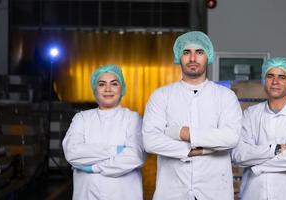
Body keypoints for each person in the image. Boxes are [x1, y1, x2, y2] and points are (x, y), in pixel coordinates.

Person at [142, 31, 242, 200]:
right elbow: (150, 141)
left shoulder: (225, 96)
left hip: (214, 189)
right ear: (178, 57)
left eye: (199, 52)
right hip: (172, 189)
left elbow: (231, 137)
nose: (193, 58)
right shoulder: (161, 96)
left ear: (208, 56)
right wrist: (191, 150)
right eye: (187, 52)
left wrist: (180, 132)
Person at [231, 57, 286, 200]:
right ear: (264, 80)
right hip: (255, 193)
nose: (275, 82)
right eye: (270, 76)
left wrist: (257, 166)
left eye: (281, 77)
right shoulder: (251, 114)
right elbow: (238, 155)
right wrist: (275, 149)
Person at [62, 64, 145, 200]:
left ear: (122, 88)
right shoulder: (81, 118)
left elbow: (135, 156)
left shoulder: (133, 119)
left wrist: (93, 167)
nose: (108, 89)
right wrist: (117, 150)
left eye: (114, 84)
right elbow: (72, 152)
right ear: (95, 89)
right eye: (101, 84)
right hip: (86, 194)